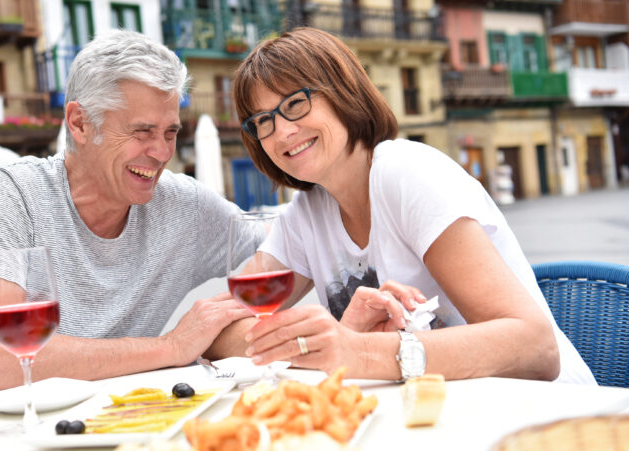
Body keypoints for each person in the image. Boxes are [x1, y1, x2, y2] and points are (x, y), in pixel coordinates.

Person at [0, 29, 265, 409]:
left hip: (86, 426)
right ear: (80, 124)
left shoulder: (185, 207)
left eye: (170, 132)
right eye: (142, 132)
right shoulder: (10, 192)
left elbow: (282, 241)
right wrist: (171, 347)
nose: (161, 152)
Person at [228, 27, 595, 385]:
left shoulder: (406, 171)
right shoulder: (304, 214)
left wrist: (360, 352)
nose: (281, 131)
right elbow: (224, 326)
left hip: (550, 415)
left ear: (343, 92)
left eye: (295, 103)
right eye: (262, 121)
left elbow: (536, 347)